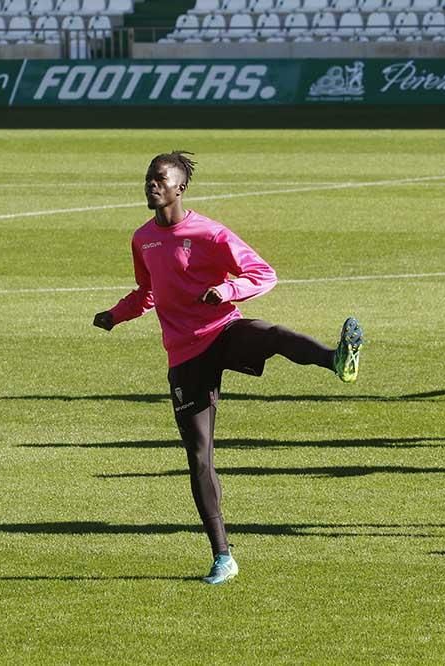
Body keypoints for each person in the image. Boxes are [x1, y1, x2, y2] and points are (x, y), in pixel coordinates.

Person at [93, 151, 364, 584]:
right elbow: (146, 291)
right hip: (184, 356)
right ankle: (223, 556)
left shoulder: (210, 233)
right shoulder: (142, 239)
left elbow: (263, 273)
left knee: (269, 334)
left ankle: (335, 359)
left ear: (180, 188)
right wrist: (114, 315)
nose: (151, 185)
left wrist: (227, 289)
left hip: (222, 331)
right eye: (148, 178)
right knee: (200, 457)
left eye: (160, 179)